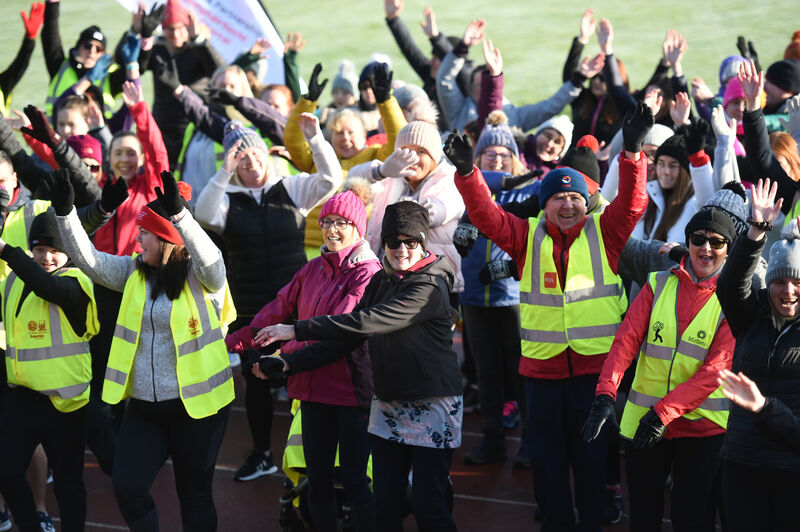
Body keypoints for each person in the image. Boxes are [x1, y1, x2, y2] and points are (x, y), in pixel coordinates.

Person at [445, 102, 652, 530]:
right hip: (541, 376)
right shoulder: (525, 236)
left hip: (595, 375)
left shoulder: (604, 233)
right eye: (558, 197)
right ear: (545, 204)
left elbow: (632, 204)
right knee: (547, 464)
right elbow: (485, 216)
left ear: (587, 201)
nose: (568, 204)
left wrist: (632, 152)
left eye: (576, 196)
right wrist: (468, 173)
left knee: (593, 463)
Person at [258, 201, 463, 531]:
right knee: (385, 505)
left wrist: (296, 328)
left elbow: (366, 322)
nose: (401, 249)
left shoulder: (430, 286)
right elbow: (343, 342)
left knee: (428, 508)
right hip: (387, 404)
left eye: (410, 241)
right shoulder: (382, 281)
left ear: (423, 242)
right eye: (393, 241)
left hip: (431, 404)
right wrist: (287, 363)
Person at [54, 170, 235, 531]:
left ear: (167, 239)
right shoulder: (132, 272)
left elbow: (213, 263)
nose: (138, 241)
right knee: (127, 486)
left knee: (194, 495)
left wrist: (181, 215)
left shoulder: (202, 277)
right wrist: (66, 214)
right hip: (145, 410)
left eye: (145, 234)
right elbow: (88, 260)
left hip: (197, 409)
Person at [194, 114, 342, 481]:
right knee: (256, 382)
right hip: (250, 308)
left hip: (297, 304)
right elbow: (204, 213)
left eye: (255, 154)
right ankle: (262, 454)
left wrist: (315, 138)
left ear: (265, 155)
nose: (251, 162)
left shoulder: (289, 187)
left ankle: (312, 459)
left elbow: (331, 179)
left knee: (303, 380)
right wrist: (223, 174)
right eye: (241, 158)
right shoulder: (226, 199)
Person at [226, 187, 381, 532]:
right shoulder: (311, 269)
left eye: (342, 222)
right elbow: (273, 312)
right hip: (311, 393)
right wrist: (232, 343)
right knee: (318, 481)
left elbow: (336, 331)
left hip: (350, 394)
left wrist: (283, 357)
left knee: (356, 483)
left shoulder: (368, 273)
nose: (332, 229)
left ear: (359, 228)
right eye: (327, 221)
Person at [584, 207, 737, 530]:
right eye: (698, 239)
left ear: (729, 248)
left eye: (717, 242)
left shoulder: (735, 299)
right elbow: (625, 341)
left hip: (702, 430)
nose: (706, 248)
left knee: (692, 519)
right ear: (688, 241)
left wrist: (662, 413)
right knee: (642, 517)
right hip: (645, 422)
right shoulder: (658, 283)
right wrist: (605, 394)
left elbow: (717, 369)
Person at [0, 210, 98, 532]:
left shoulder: (76, 282)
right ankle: (30, 526)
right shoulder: (13, 281)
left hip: (66, 404)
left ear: (69, 251)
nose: (46, 257)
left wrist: (6, 251)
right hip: (23, 398)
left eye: (54, 250)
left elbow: (46, 287)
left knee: (69, 483)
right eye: (39, 249)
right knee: (6, 471)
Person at [715, 178, 800, 531]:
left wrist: (764, 407)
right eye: (780, 281)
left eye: (798, 282)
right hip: (742, 464)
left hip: (792, 473)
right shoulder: (753, 318)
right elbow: (730, 285)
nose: (789, 291)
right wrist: (757, 232)